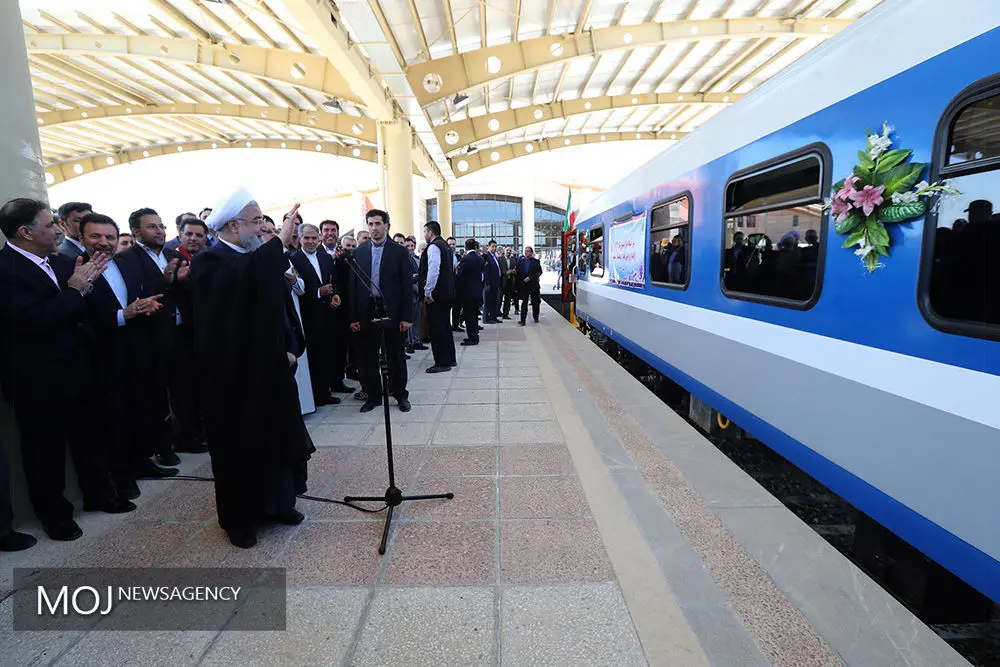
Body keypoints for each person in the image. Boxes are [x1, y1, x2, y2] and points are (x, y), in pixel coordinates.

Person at [193, 190, 314, 548]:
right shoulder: (210, 261)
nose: (262, 226)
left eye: (264, 221)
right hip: (235, 381)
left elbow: (279, 306)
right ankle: (239, 521)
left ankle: (280, 503)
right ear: (234, 224)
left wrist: (292, 347)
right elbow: (244, 277)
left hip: (272, 371)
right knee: (239, 451)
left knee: (277, 440)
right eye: (256, 220)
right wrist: (279, 238)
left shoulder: (253, 257)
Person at [0, 198, 108, 541]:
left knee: (88, 438)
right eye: (50, 225)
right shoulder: (5, 270)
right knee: (44, 452)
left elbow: (76, 310)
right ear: (25, 232)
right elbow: (34, 320)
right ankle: (55, 516)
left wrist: (82, 289)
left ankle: (98, 495)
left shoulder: (60, 262)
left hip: (76, 371)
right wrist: (75, 291)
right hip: (38, 382)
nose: (59, 229)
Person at [347, 209, 413, 413]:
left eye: (378, 224)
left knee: (395, 356)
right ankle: (373, 395)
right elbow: (353, 287)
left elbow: (406, 286)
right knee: (367, 357)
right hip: (366, 311)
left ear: (387, 226)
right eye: (371, 224)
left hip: (391, 311)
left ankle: (400, 394)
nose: (374, 228)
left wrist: (407, 317)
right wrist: (353, 317)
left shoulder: (400, 252)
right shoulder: (358, 252)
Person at [290, 224, 342, 406]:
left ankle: (326, 390)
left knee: (328, 354)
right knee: (314, 357)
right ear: (299, 238)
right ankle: (316, 396)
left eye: (314, 238)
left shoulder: (325, 258)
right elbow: (295, 291)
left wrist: (335, 295)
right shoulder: (293, 259)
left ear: (319, 238)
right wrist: (318, 292)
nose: (311, 242)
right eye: (307, 238)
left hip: (328, 314)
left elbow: (334, 282)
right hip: (309, 317)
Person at [419, 220, 456, 372]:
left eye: (424, 232)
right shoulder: (445, 246)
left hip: (436, 295)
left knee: (437, 328)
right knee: (445, 327)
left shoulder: (434, 246)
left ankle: (442, 362)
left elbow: (434, 269)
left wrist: (428, 291)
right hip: (446, 293)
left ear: (430, 232)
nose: (424, 235)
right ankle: (450, 359)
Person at [455, 238, 485, 345]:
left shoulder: (466, 259)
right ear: (475, 246)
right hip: (477, 291)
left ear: (465, 247)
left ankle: (472, 338)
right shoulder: (480, 259)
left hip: (467, 292)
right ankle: (475, 335)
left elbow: (460, 276)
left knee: (469, 316)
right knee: (474, 315)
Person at [516, 246, 543, 326]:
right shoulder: (520, 262)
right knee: (524, 303)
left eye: (528, 251)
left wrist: (530, 278)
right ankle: (522, 320)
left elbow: (539, 272)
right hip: (524, 286)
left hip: (533, 285)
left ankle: (536, 317)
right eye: (525, 251)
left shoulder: (536, 262)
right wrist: (518, 284)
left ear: (531, 253)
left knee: (535, 302)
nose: (526, 252)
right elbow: (518, 274)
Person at [481, 239, 502, 324]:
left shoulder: (495, 257)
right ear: (488, 247)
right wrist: (488, 283)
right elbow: (486, 271)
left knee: (494, 301)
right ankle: (486, 318)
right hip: (489, 284)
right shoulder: (487, 257)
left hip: (496, 283)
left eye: (495, 246)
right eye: (492, 246)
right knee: (487, 302)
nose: (494, 248)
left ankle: (493, 317)